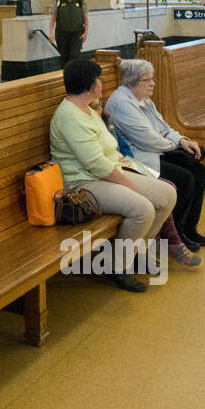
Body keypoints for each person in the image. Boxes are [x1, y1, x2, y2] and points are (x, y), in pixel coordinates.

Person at [49, 59, 176, 292]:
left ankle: (135, 251)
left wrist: (129, 167)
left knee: (167, 194)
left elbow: (107, 148)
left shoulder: (87, 109)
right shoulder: (69, 116)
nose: (101, 84)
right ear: (88, 86)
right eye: (98, 80)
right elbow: (95, 163)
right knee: (142, 208)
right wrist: (129, 184)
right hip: (81, 183)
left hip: (107, 172)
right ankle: (117, 266)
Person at [105, 59, 205, 250]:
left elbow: (164, 128)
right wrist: (174, 147)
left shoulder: (144, 99)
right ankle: (172, 237)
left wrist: (182, 141)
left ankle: (189, 228)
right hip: (139, 158)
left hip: (157, 151)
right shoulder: (121, 103)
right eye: (147, 80)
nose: (152, 83)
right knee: (184, 179)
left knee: (198, 171)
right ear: (132, 82)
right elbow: (147, 139)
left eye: (152, 79)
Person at [49, 0, 89, 68]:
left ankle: (74, 77)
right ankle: (65, 77)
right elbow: (52, 19)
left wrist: (86, 32)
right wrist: (51, 33)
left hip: (77, 33)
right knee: (64, 57)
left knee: (74, 56)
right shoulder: (58, 2)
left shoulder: (80, 2)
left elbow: (86, 19)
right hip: (62, 34)